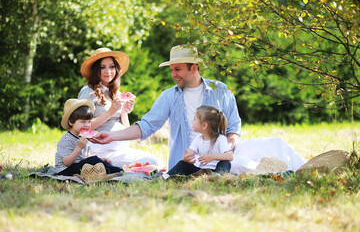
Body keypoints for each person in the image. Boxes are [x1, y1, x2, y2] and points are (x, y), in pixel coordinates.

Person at [91, 45, 306, 174]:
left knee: (275, 144)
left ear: (193, 68)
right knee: (246, 166)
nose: (173, 74)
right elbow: (146, 126)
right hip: (191, 159)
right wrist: (111, 137)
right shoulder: (168, 96)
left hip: (223, 152)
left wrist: (224, 151)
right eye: (172, 70)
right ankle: (263, 171)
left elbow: (234, 129)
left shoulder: (220, 90)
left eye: (178, 69)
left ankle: (307, 169)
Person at [78, 48, 160, 167]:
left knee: (154, 162)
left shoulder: (116, 93)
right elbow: (80, 128)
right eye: (103, 67)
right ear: (96, 70)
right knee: (152, 164)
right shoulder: (88, 91)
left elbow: (126, 129)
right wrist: (111, 112)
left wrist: (124, 112)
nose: (108, 71)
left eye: (111, 67)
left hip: (120, 149)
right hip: (99, 150)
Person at [55, 98, 123, 176]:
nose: (87, 125)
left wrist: (101, 160)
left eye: (89, 121)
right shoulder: (66, 140)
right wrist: (79, 147)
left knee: (94, 160)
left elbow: (87, 157)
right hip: (65, 171)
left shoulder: (84, 137)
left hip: (79, 166)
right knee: (93, 161)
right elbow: (66, 163)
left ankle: (112, 170)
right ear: (71, 122)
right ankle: (117, 171)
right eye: (83, 122)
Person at [162, 105, 233, 178]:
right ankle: (166, 177)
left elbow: (230, 156)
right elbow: (189, 153)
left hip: (215, 170)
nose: (192, 121)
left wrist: (212, 157)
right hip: (200, 171)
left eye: (194, 119)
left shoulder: (220, 139)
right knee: (182, 163)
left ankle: (216, 178)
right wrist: (186, 158)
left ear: (204, 125)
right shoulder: (197, 139)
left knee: (226, 163)